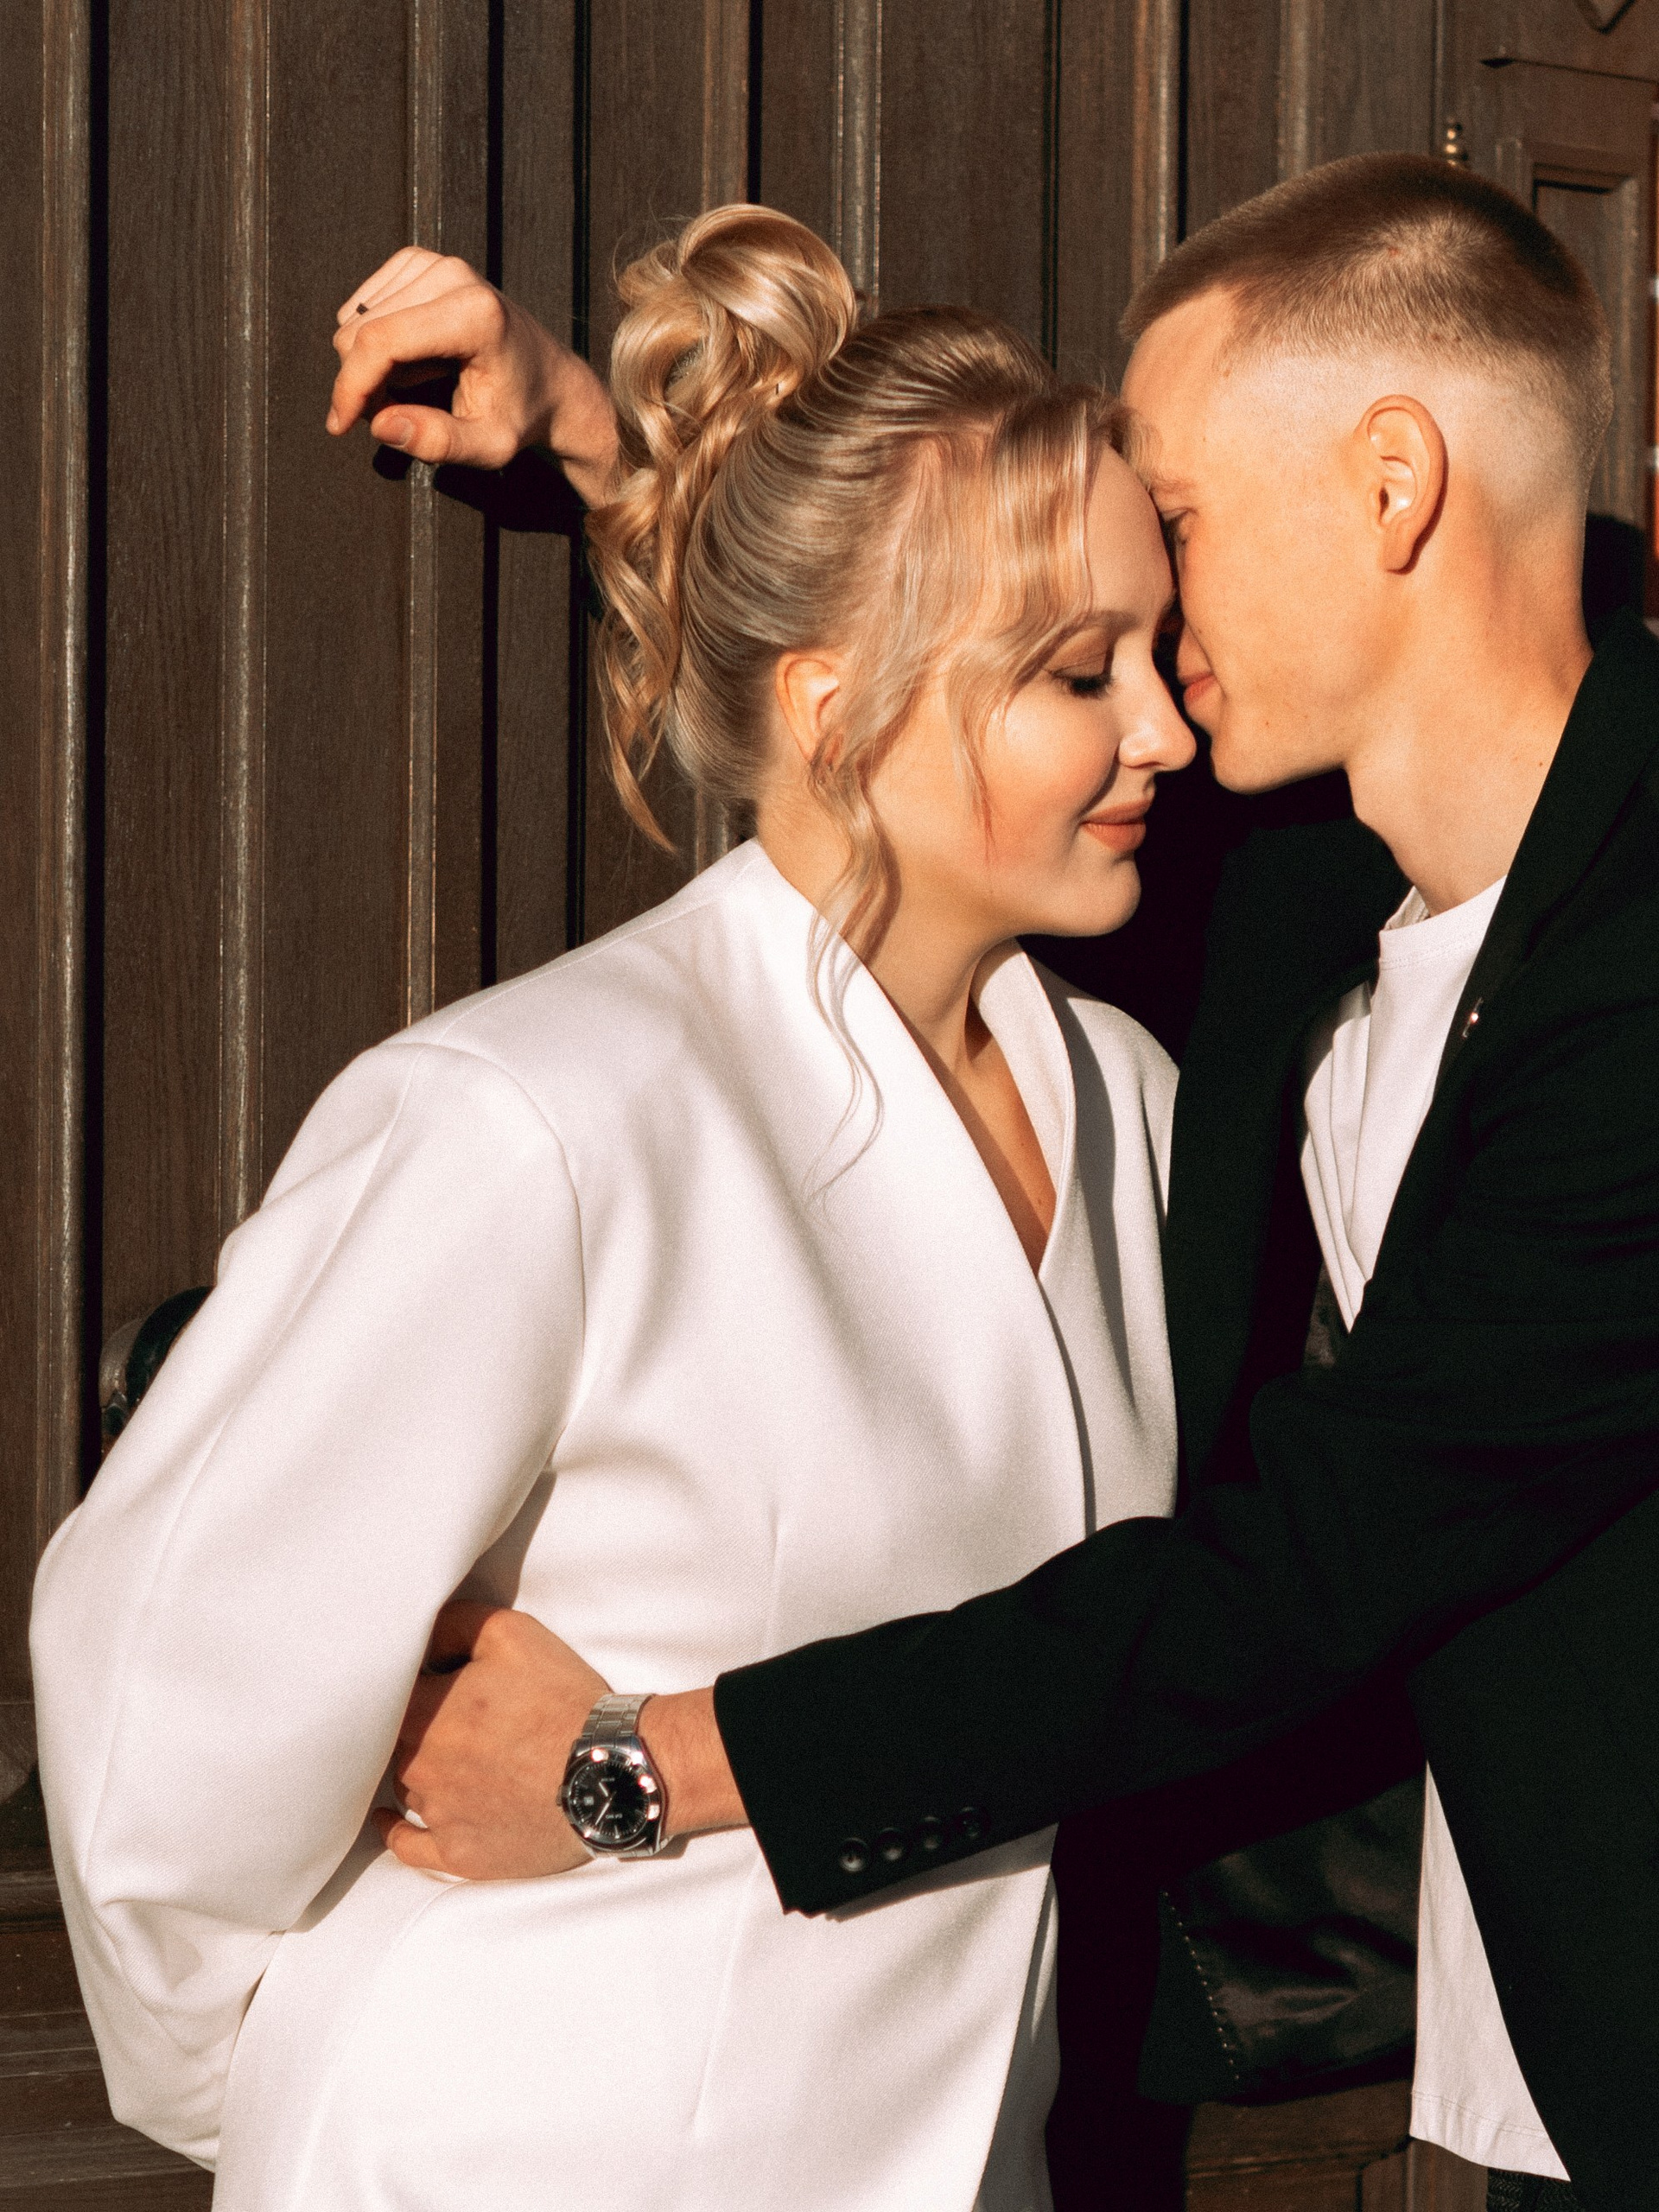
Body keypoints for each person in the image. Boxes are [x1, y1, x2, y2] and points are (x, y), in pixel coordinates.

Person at [332, 158, 1659, 2212]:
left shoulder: (1637, 979)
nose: (1143, 614)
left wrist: (646, 1763)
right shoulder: (1302, 879)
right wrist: (609, 447)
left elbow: (1298, 1567)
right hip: (1479, 2061)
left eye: (1179, 520)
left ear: (1394, 485)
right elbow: (921, 686)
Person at [30, 204, 1198, 2211]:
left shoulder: (1138, 1108)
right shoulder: (539, 1115)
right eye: (1082, 669)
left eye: (1161, 652)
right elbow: (164, 1690)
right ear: (834, 704)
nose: (1166, 727)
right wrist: (312, 2092)